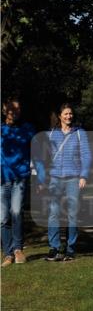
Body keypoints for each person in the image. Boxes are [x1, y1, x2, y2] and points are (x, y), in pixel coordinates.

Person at [38, 102, 92, 262]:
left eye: (71, 114)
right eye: (66, 114)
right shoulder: (51, 134)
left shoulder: (79, 133)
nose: (69, 116)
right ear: (60, 116)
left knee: (72, 214)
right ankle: (54, 247)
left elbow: (86, 155)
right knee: (54, 213)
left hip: (73, 178)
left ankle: (70, 249)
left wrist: (84, 175)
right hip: (54, 178)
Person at [1, 96, 36, 266]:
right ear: (4, 110)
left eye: (18, 109)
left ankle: (18, 250)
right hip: (2, 179)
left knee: (16, 213)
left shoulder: (28, 129)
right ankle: (7, 254)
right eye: (11, 109)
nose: (14, 112)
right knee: (3, 218)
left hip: (20, 178)